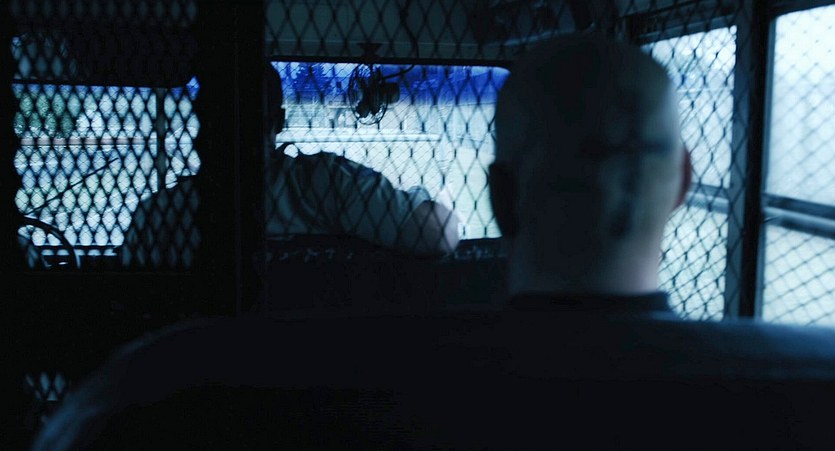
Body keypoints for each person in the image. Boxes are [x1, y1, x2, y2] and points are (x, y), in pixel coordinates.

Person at [34, 36, 835, 450]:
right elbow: (429, 234)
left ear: (502, 194)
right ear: (685, 180)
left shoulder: (152, 391)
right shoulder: (805, 387)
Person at [121, 63, 459, 267]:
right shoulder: (326, 182)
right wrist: (419, 196)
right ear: (279, 121)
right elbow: (438, 235)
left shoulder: (159, 213)